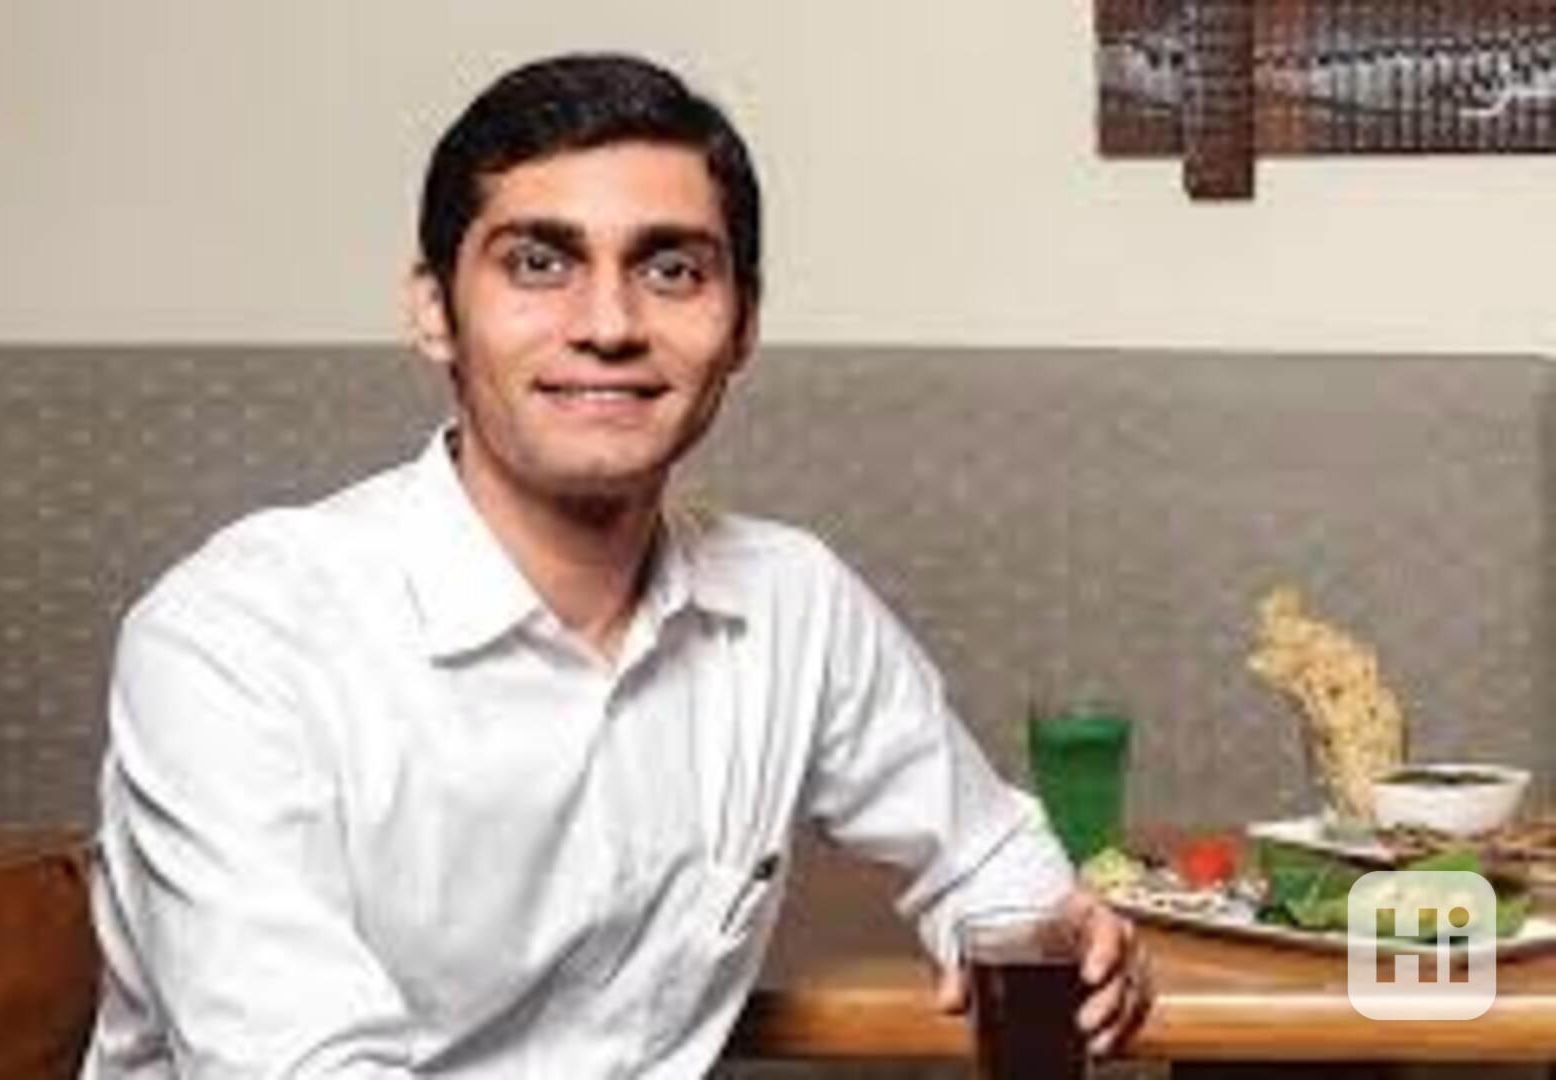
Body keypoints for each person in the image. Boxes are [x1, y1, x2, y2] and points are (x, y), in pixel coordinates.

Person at [82, 52, 1149, 1078]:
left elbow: (987, 856)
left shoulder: (791, 603)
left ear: (743, 325)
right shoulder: (236, 638)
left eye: (671, 270)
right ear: (434, 311)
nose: (607, 325)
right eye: (538, 264)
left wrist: (1046, 934)